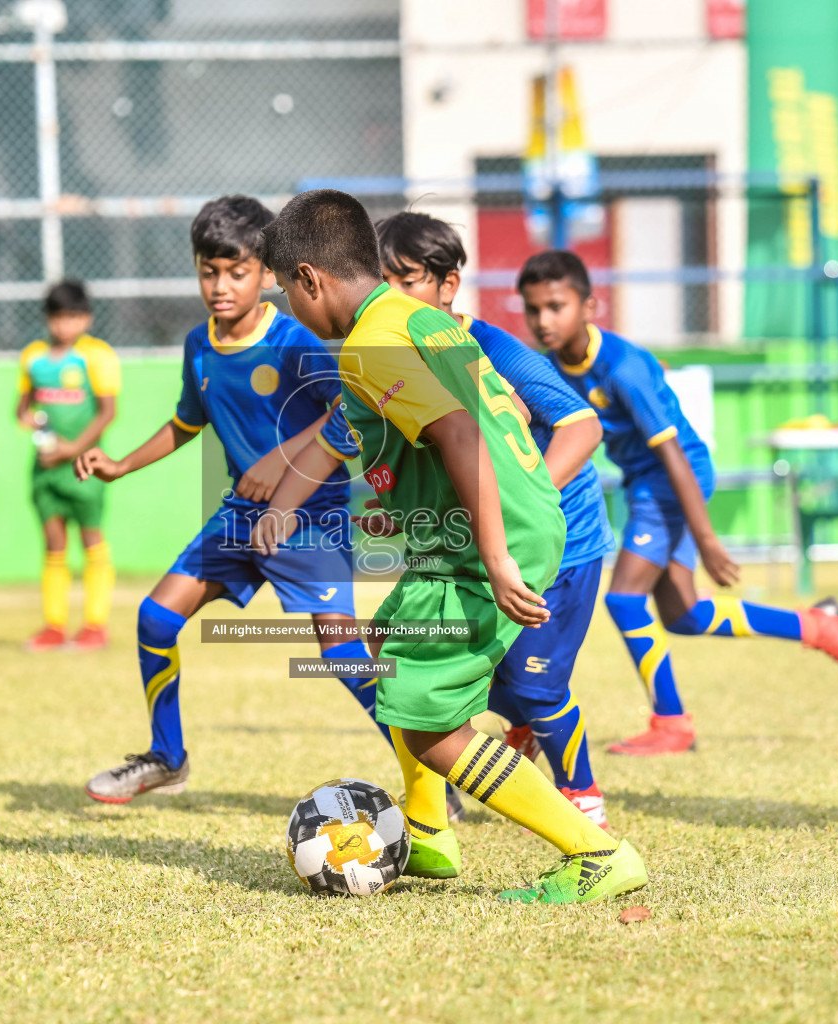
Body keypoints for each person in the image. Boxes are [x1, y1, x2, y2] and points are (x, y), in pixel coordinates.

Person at [253, 189, 648, 905]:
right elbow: (505, 412)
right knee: (392, 654)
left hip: (486, 542)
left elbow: (461, 434)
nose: (290, 309)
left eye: (285, 293)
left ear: (310, 278)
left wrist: (496, 557)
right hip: (496, 522)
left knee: (436, 730)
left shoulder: (371, 344)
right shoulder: (419, 320)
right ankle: (430, 833)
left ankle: (596, 852)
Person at [75, 195, 384, 803]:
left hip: (311, 518)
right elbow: (186, 423)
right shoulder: (199, 345)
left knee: (341, 651)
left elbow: (351, 412)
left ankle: (428, 765)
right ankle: (167, 757)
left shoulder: (297, 340)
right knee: (156, 617)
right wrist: (120, 465)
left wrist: (281, 460)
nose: (220, 285)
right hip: (241, 517)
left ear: (267, 273)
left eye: (236, 271)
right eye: (208, 271)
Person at [518, 251, 838, 756]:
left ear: (590, 305)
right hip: (644, 479)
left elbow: (675, 454)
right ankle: (817, 626)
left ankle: (671, 722)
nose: (543, 320)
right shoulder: (549, 366)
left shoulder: (623, 367)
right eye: (533, 310)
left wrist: (706, 538)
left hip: (671, 476)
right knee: (684, 614)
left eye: (556, 306)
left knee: (623, 599)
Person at [372, 211, 612, 828]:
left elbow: (583, 426)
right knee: (463, 670)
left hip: (559, 541)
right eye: (383, 283)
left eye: (408, 282)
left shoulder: (493, 348)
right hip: (484, 542)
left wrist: (516, 500)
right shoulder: (393, 353)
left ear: (448, 285)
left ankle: (583, 801)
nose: (392, 298)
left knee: (534, 685)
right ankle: (436, 812)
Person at [17, 280, 120, 651]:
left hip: (85, 466)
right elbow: (23, 407)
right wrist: (28, 420)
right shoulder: (33, 357)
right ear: (48, 320)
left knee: (91, 537)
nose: (65, 325)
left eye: (74, 317)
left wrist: (73, 447)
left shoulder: (97, 356)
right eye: (58, 318)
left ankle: (95, 624)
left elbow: (108, 412)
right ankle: (54, 626)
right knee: (53, 542)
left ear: (87, 318)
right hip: (45, 469)